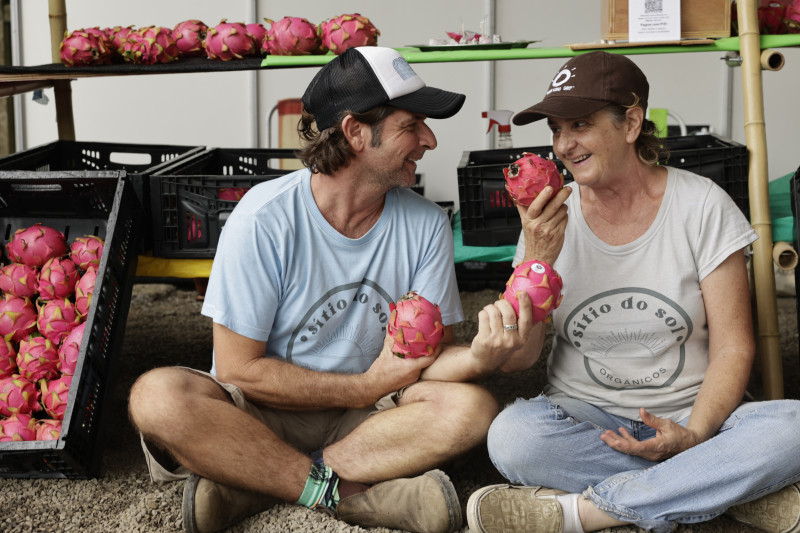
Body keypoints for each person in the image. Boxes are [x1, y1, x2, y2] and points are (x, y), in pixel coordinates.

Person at [128, 46, 520, 533]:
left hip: (369, 420)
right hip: (262, 413)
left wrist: (481, 356)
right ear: (355, 132)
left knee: (472, 406)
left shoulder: (426, 224)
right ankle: (346, 494)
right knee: (157, 396)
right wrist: (366, 384)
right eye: (411, 125)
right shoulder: (262, 218)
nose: (430, 140)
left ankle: (254, 479)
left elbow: (430, 359)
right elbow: (238, 370)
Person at [465, 50, 800, 533]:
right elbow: (522, 359)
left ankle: (585, 513)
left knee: (791, 428)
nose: (563, 145)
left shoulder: (701, 204)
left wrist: (694, 434)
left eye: (579, 125)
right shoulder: (545, 223)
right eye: (556, 130)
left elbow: (733, 347)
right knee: (513, 438)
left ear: (631, 123)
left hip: (694, 411)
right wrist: (538, 259)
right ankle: (721, 494)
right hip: (587, 419)